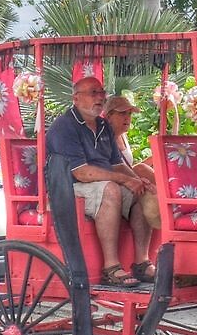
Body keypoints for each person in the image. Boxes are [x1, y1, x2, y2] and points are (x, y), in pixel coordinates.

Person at [45, 77, 157, 286]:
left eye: (101, 93)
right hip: (67, 190)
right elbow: (81, 173)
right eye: (93, 93)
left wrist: (136, 180)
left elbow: (116, 163)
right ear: (76, 99)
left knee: (138, 192)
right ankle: (111, 267)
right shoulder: (64, 126)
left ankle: (141, 261)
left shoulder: (104, 125)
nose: (99, 97)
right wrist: (123, 179)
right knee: (111, 189)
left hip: (99, 183)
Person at [103, 94, 161, 228]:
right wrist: (137, 178)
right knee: (141, 169)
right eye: (122, 113)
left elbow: (128, 165)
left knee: (143, 168)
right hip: (113, 184)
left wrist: (153, 159)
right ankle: (169, 201)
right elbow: (112, 167)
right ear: (108, 116)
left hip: (129, 178)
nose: (127, 118)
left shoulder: (122, 135)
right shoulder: (104, 137)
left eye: (129, 114)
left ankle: (169, 198)